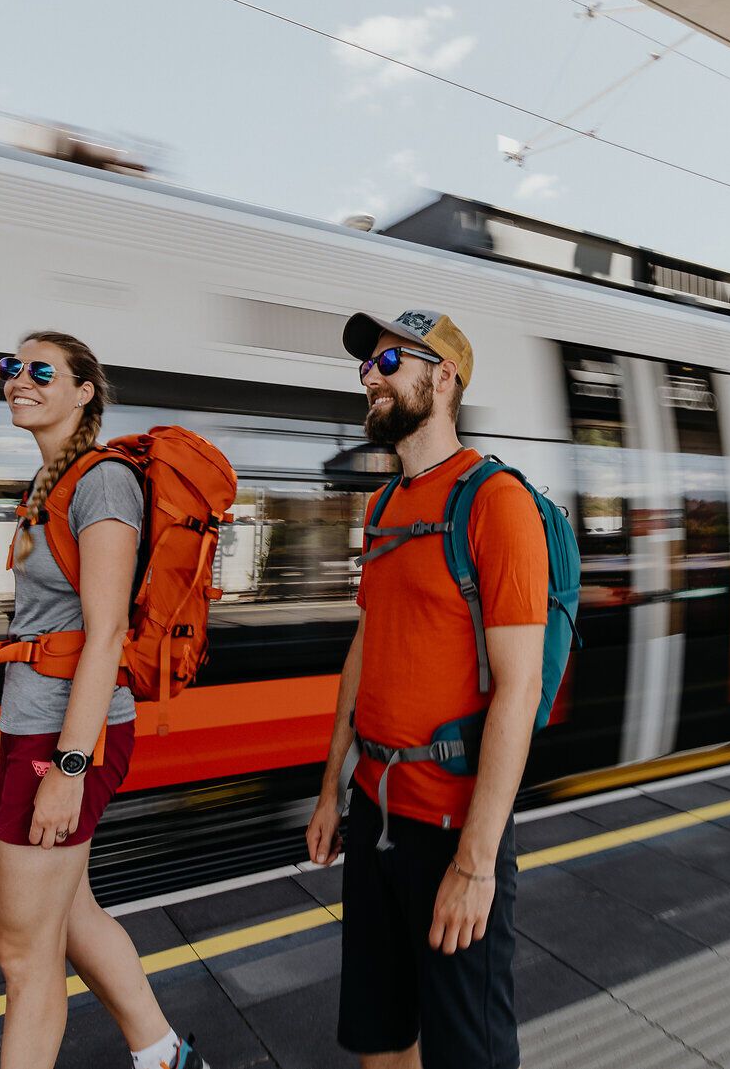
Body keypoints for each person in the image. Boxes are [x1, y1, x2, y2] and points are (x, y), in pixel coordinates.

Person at [307, 309, 549, 1069]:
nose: (370, 377)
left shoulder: (496, 501)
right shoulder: (383, 506)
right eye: (366, 365)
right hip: (374, 814)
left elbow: (519, 689)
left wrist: (476, 864)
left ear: (443, 378)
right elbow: (366, 646)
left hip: (451, 827)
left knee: (466, 1054)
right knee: (381, 1042)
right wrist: (331, 788)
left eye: (389, 362)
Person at [0, 331, 205, 1069]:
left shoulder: (103, 482)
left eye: (40, 370)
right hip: (33, 728)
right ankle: (165, 1057)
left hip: (66, 741)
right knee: (72, 916)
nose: (19, 379)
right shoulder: (48, 481)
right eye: (10, 367)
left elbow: (107, 630)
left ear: (84, 392)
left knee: (24, 953)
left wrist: (69, 768)